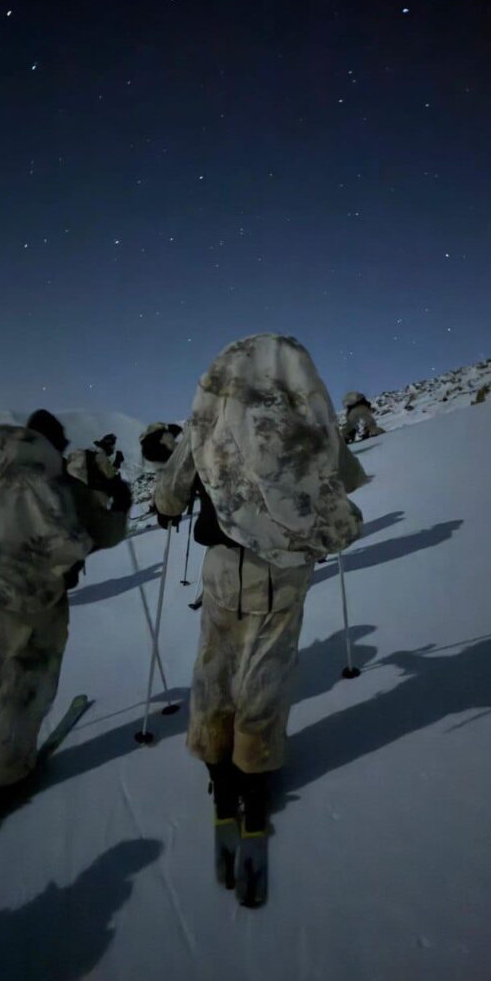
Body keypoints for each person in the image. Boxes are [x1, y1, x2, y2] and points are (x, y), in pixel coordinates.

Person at [153, 334, 367, 835]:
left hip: (223, 563)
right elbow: (347, 477)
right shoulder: (304, 419)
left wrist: (171, 502)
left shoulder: (208, 417)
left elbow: (171, 490)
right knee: (267, 668)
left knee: (216, 662)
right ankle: (254, 773)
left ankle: (217, 764)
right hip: (286, 566)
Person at [0, 409, 130, 827]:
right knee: (26, 687)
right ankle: (5, 775)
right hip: (32, 598)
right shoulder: (55, 474)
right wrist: (119, 500)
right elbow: (102, 533)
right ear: (55, 443)